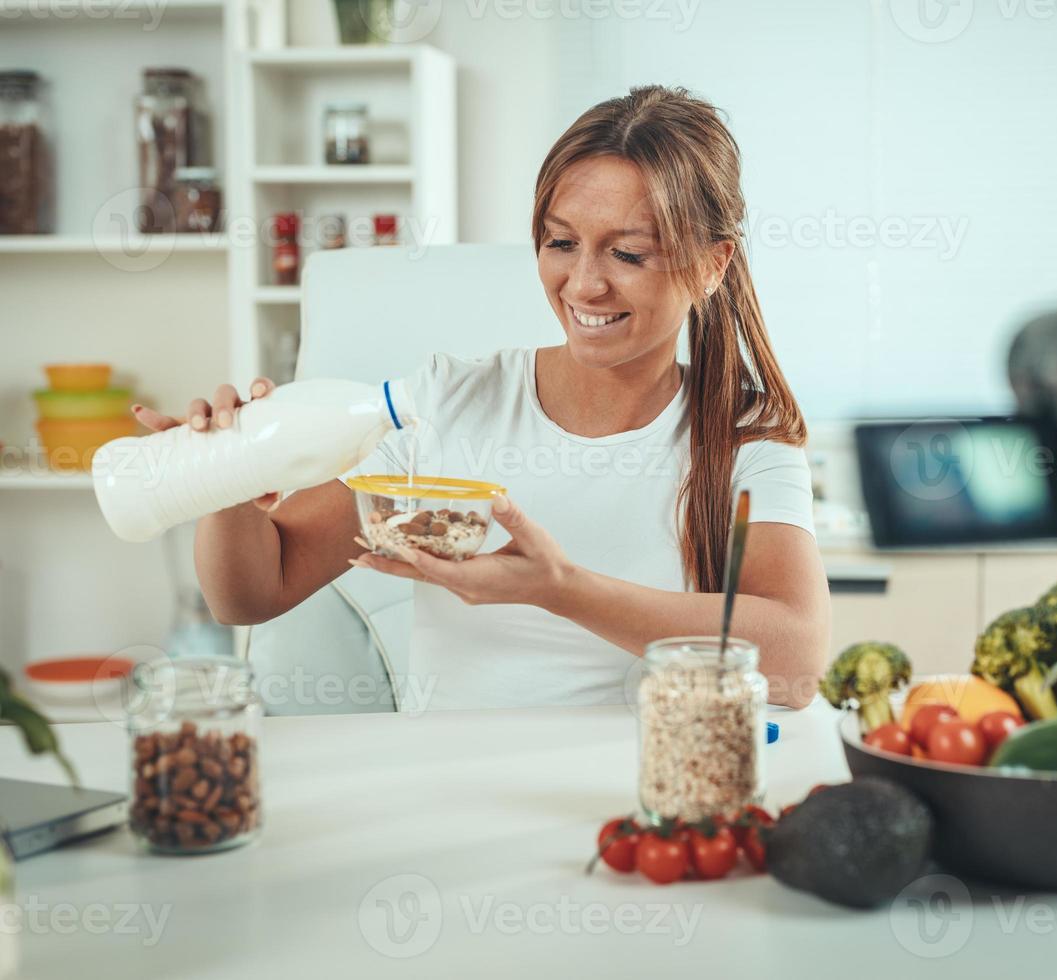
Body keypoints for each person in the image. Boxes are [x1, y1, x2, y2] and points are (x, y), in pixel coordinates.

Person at [134, 85, 830, 711]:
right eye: (561, 242)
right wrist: (224, 477)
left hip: (647, 800)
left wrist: (560, 588)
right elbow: (252, 592)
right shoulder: (453, 400)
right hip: (451, 791)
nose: (584, 285)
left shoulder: (744, 430)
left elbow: (796, 665)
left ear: (712, 265)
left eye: (628, 254)